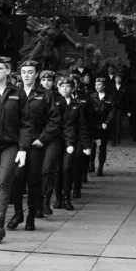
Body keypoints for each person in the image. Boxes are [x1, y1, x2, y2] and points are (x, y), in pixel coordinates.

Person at [0, 56, 31, 244]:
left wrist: (23, 147)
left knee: (3, 182)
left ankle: (0, 223)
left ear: (8, 71)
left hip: (10, 145)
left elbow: (26, 122)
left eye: (0, 68)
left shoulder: (18, 93)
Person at [8, 61, 60, 231]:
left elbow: (54, 120)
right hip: (17, 144)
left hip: (35, 144)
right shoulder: (14, 93)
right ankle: (17, 213)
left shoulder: (44, 94)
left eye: (30, 72)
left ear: (36, 74)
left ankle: (31, 216)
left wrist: (43, 139)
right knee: (16, 179)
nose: (26, 75)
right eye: (23, 72)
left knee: (33, 181)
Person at [53, 77, 91, 210]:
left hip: (72, 140)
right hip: (57, 140)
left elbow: (82, 126)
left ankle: (66, 198)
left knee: (67, 168)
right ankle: (58, 199)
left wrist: (86, 145)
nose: (65, 89)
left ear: (73, 88)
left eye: (68, 86)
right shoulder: (54, 103)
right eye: (62, 86)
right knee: (57, 170)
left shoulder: (77, 105)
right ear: (58, 88)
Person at [38, 70, 63, 216]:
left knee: (48, 169)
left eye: (49, 80)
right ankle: (38, 201)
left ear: (53, 82)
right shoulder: (36, 95)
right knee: (36, 170)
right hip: (37, 137)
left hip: (54, 138)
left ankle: (46, 201)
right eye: (43, 80)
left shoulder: (59, 98)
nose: (46, 83)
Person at [90, 76, 116, 176]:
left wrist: (107, 122)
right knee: (92, 145)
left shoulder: (110, 97)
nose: (97, 86)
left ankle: (100, 167)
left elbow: (112, 111)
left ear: (104, 86)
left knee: (102, 147)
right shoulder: (92, 96)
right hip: (93, 125)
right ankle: (91, 165)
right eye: (96, 85)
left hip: (104, 125)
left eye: (99, 84)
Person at [108, 73, 127, 145]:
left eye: (119, 78)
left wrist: (127, 109)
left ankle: (117, 138)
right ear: (115, 79)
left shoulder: (124, 87)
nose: (118, 79)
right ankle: (113, 138)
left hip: (120, 107)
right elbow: (108, 96)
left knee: (118, 122)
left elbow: (126, 98)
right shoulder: (111, 87)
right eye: (117, 78)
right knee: (112, 122)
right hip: (112, 107)